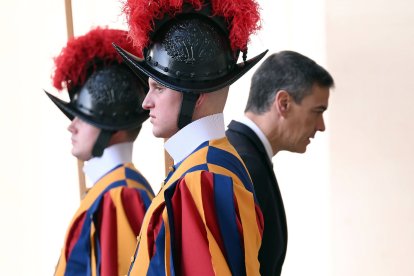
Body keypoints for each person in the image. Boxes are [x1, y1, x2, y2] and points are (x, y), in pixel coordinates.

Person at [114, 0, 267, 274]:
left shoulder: (202, 176)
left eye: (158, 88)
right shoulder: (206, 165)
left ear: (196, 95)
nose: (146, 102)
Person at [44, 27, 155, 276]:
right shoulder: (112, 189)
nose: (71, 126)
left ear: (111, 123)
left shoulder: (120, 195)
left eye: (83, 117)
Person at [226, 50, 335, 275]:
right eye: (317, 111)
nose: (321, 126)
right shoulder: (242, 165)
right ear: (283, 103)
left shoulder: (246, 156)